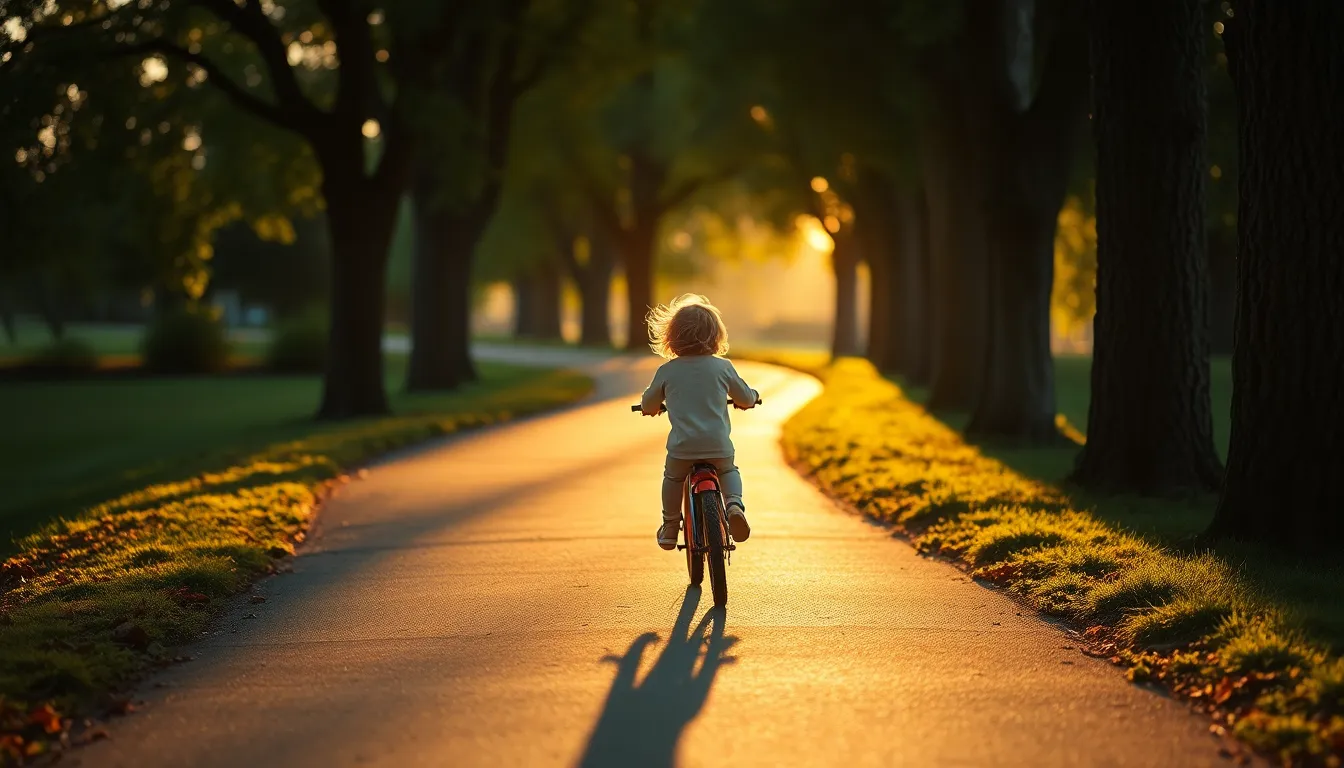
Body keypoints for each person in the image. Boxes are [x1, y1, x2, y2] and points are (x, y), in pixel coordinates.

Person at [639, 294, 759, 550]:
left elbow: (649, 404)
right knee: (728, 471)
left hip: (683, 448)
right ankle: (734, 505)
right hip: (717, 445)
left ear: (672, 338)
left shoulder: (668, 371)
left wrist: (650, 408)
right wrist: (751, 399)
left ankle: (670, 525)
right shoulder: (723, 368)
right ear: (716, 336)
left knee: (672, 478)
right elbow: (745, 397)